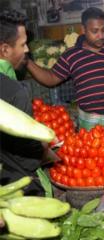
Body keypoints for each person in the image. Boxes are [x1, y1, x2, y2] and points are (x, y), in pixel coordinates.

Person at [27, 7, 104, 131]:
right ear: (83, 29)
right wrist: (27, 62)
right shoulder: (71, 55)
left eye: (103, 30)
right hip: (90, 119)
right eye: (95, 31)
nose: (101, 36)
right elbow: (51, 79)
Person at [0, 10, 46, 194]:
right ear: (4, 49)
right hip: (14, 188)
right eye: (23, 44)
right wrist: (44, 151)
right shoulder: (15, 92)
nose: (27, 50)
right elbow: (28, 160)